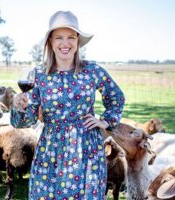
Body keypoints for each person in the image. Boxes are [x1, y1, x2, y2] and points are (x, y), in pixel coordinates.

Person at [11, 10, 125, 199]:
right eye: (59, 38)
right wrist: (19, 106)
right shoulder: (39, 74)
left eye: (71, 37)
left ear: (78, 40)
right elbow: (24, 121)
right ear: (50, 42)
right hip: (51, 149)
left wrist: (105, 121)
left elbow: (116, 98)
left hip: (86, 148)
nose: (65, 43)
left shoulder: (92, 71)